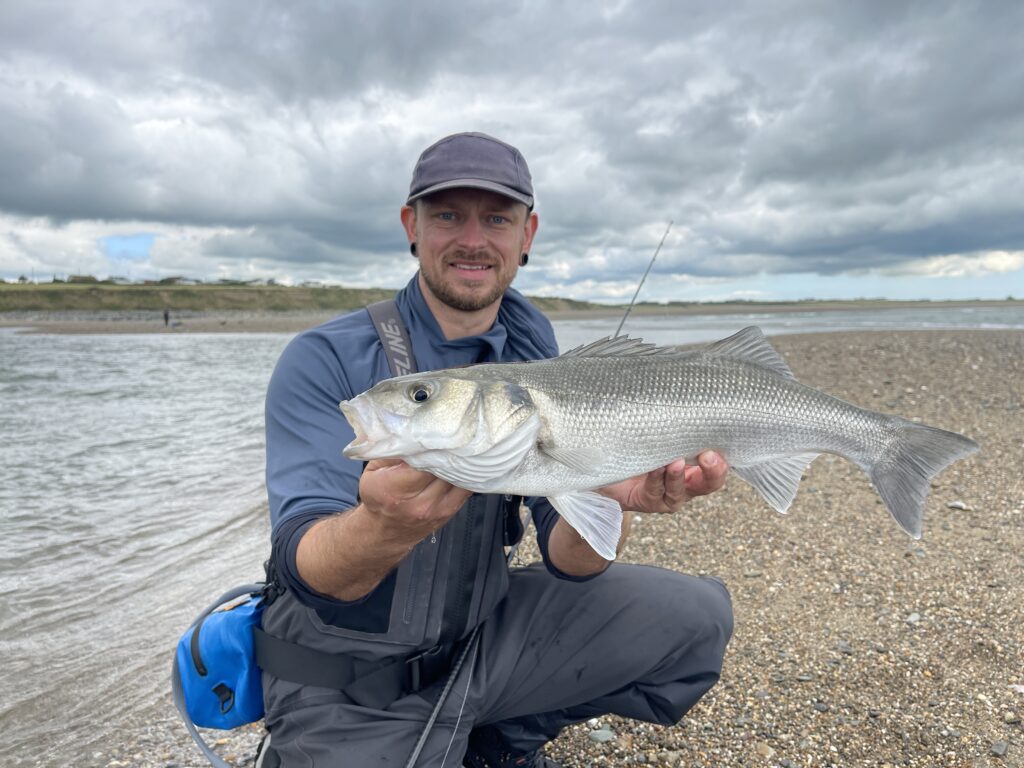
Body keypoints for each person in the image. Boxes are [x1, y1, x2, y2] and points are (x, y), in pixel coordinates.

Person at [260, 132, 734, 767]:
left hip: (479, 646)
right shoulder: (326, 359)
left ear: (527, 234)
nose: (474, 239)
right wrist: (382, 525)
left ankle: (493, 742)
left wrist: (608, 495)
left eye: (497, 218)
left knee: (693, 619)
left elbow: (570, 562)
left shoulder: (532, 342)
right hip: (347, 678)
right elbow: (307, 568)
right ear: (412, 224)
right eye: (449, 214)